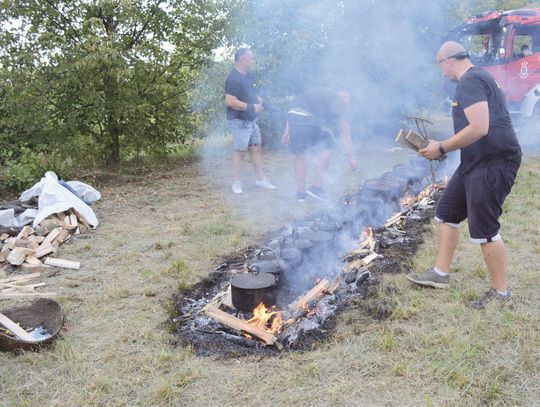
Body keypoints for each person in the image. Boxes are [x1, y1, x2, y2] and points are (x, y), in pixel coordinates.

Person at [406, 41, 522, 309]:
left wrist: (442, 147)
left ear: (447, 61)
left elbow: (480, 127)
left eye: (440, 65)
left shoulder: (470, 81)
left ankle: (500, 293)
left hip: (494, 162)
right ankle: (440, 274)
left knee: (485, 228)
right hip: (475, 161)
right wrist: (441, 145)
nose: (441, 71)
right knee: (447, 211)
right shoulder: (477, 78)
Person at [282, 87, 357, 202]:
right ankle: (316, 188)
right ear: (341, 95)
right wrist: (351, 158)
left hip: (293, 116)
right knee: (331, 144)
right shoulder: (338, 101)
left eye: (349, 99)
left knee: (300, 153)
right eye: (347, 98)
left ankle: (301, 193)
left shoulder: (322, 96)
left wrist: (287, 131)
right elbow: (345, 134)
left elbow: (296, 110)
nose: (347, 101)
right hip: (307, 117)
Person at [225, 47, 276, 194]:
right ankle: (236, 183)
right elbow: (229, 101)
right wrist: (251, 107)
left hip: (252, 122)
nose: (253, 60)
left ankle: (260, 180)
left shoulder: (248, 75)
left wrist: (266, 105)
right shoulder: (233, 78)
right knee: (240, 152)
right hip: (239, 122)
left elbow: (254, 95)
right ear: (242, 59)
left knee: (256, 149)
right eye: (251, 58)